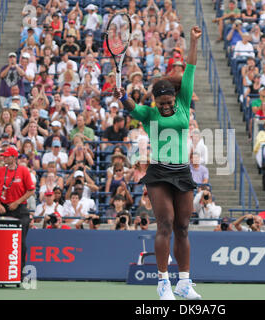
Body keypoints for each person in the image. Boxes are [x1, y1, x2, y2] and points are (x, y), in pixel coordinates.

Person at [113, 26, 202, 300]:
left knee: (183, 227)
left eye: (167, 101)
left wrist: (194, 41)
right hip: (159, 173)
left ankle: (184, 283)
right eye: (160, 102)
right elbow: (131, 107)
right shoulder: (150, 114)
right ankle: (163, 282)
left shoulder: (184, 101)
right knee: (165, 223)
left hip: (182, 172)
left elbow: (190, 67)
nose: (164, 106)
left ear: (174, 96)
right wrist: (122, 97)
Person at [0, 147, 35, 277]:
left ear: (14, 157)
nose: (3, 158)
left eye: (6, 156)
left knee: (20, 242)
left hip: (20, 209)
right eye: (3, 156)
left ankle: (19, 273)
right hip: (3, 209)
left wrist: (17, 202)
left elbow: (31, 190)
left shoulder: (23, 170)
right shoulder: (0, 171)